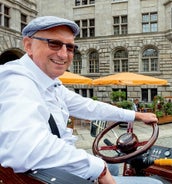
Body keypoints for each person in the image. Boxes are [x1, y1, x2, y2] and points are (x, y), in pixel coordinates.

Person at [0, 16, 162, 184]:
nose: (63, 54)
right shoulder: (17, 82)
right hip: (53, 177)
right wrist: (99, 168)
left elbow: (88, 106)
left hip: (54, 172)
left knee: (112, 167)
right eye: (54, 43)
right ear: (28, 45)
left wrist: (135, 115)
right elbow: (26, 149)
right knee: (155, 183)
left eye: (70, 47)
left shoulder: (47, 82)